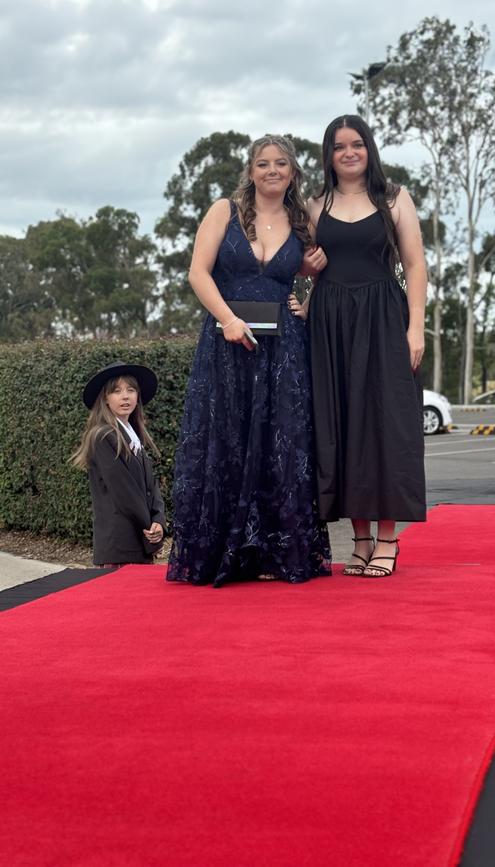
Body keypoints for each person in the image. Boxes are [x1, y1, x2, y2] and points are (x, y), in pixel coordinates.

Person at [166, 134, 331, 587]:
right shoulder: (225, 211)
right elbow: (198, 272)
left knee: (281, 443)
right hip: (226, 342)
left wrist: (309, 297)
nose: (272, 170)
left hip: (283, 349)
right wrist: (227, 319)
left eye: (281, 163)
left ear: (293, 172)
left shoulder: (303, 223)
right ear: (251, 171)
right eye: (263, 164)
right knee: (226, 439)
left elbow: (328, 272)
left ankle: (275, 554)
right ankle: (224, 554)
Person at [305, 114, 427, 577]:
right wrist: (307, 289)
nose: (349, 152)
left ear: (369, 149)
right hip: (331, 322)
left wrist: (415, 327)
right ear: (329, 155)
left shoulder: (394, 198)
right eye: (339, 147)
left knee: (385, 425)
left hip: (382, 318)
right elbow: (308, 267)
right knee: (341, 425)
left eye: (357, 144)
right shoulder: (316, 205)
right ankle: (358, 541)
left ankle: (388, 540)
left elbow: (415, 266)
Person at [72, 361, 166, 567]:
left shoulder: (134, 437)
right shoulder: (103, 436)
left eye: (131, 390)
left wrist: (159, 520)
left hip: (139, 543)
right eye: (117, 391)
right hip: (119, 547)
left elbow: (151, 487)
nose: (125, 396)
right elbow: (125, 492)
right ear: (106, 398)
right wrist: (150, 533)